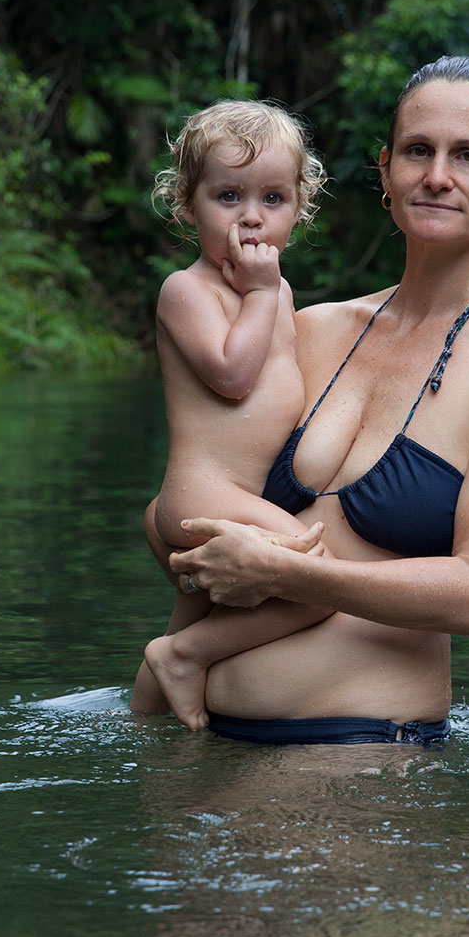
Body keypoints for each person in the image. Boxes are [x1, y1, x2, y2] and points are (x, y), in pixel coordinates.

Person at [141, 55, 469, 745]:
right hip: (190, 742)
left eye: (468, 155)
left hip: (360, 758)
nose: (437, 175)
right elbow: (188, 500)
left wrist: (281, 570)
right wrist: (194, 558)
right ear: (386, 170)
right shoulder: (308, 330)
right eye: (417, 151)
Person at [130, 99, 331, 729]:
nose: (252, 218)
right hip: (205, 493)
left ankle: (141, 726)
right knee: (320, 584)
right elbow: (233, 375)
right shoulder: (186, 290)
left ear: (299, 208)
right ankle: (188, 658)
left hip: (229, 493)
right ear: (188, 205)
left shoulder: (279, 293)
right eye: (228, 197)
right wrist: (262, 294)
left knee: (197, 610)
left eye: (273, 198)